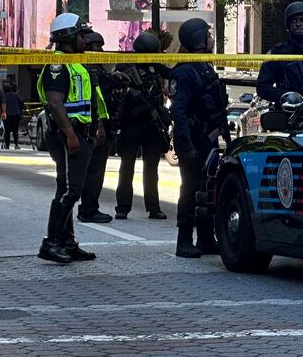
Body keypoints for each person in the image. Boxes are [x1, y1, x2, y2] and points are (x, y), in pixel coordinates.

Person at [36, 13, 109, 264]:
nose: (84, 39)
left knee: (68, 189)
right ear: (68, 37)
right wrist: (70, 135)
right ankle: (51, 243)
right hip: (68, 135)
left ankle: (66, 242)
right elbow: (56, 103)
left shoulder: (75, 62)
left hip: (80, 133)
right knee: (70, 190)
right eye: (80, 34)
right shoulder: (58, 64)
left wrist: (97, 125)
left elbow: (88, 97)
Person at [169, 17, 229, 258]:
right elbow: (179, 111)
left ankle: (205, 238)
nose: (212, 39)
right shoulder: (184, 71)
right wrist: (186, 144)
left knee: (208, 188)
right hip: (192, 140)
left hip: (208, 139)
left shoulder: (204, 66)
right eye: (208, 34)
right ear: (198, 39)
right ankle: (184, 240)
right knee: (190, 190)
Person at [114, 31, 170, 220]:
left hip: (152, 124)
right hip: (131, 123)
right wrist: (130, 92)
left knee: (151, 169)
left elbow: (172, 74)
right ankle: (122, 207)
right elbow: (113, 83)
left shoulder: (156, 67)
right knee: (126, 167)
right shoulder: (126, 66)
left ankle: (153, 207)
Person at [76, 29, 128, 224]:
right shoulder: (88, 70)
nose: (101, 50)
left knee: (94, 170)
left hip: (101, 126)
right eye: (97, 46)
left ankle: (89, 207)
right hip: (94, 128)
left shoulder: (95, 69)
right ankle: (88, 209)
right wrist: (99, 127)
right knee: (94, 171)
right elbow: (94, 100)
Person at [2, 80, 24, 150]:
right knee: (15, 130)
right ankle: (16, 144)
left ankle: (7, 145)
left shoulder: (4, 96)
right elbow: (21, 103)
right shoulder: (16, 95)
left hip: (7, 115)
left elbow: (2, 104)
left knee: (7, 130)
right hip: (16, 114)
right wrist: (19, 111)